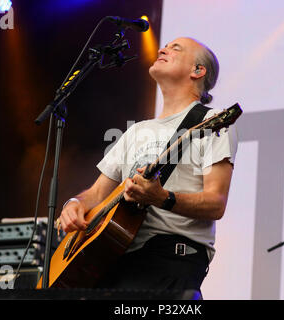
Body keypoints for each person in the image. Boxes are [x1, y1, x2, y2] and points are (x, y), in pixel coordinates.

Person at [57, 37, 238, 297]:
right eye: (165, 46)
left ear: (197, 71)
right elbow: (96, 194)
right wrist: (73, 203)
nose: (163, 49)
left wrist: (161, 197)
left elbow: (216, 203)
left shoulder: (211, 121)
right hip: (117, 262)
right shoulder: (137, 131)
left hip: (170, 262)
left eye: (176, 48)